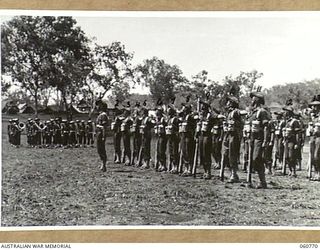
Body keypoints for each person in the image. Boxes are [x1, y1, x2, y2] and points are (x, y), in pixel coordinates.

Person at [247, 91, 270, 188]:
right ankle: (250, 181)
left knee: (256, 158)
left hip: (259, 138)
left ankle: (262, 181)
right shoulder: (252, 112)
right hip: (252, 138)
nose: (252, 100)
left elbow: (266, 127)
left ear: (257, 100)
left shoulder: (262, 112)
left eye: (253, 98)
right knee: (251, 159)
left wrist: (265, 140)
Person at [223, 96, 242, 183]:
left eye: (229, 102)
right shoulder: (228, 113)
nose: (227, 104)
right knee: (226, 154)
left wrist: (235, 123)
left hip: (234, 135)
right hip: (228, 135)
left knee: (232, 154)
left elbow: (242, 122)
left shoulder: (236, 112)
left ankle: (234, 174)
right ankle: (231, 173)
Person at [282, 106, 300, 177]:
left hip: (292, 141)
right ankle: (290, 169)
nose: (285, 113)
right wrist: (284, 140)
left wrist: (297, 143)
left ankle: (293, 170)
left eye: (286, 111)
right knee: (286, 157)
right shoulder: (286, 121)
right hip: (286, 141)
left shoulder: (294, 121)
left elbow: (297, 133)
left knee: (291, 156)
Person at [179, 104, 196, 177]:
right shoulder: (183, 117)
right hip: (183, 135)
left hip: (189, 136)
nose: (183, 109)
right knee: (184, 152)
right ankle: (186, 168)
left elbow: (194, 126)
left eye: (185, 108)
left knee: (189, 152)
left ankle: (190, 168)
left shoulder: (191, 117)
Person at [307, 95, 320, 180]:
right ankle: (315, 172)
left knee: (316, 155)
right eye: (313, 106)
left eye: (315, 106)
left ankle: (318, 173)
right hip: (312, 137)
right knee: (312, 156)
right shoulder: (312, 116)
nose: (313, 107)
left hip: (319, 137)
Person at [95, 99, 109, 172]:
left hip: (101, 134)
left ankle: (103, 164)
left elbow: (104, 127)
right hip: (98, 133)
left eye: (98, 105)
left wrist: (104, 136)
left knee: (101, 149)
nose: (96, 107)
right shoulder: (100, 115)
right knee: (99, 149)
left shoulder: (103, 115)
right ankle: (102, 163)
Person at [166, 106, 180, 173]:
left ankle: (176, 166)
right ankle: (172, 166)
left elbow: (178, 128)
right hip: (169, 137)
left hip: (174, 137)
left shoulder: (175, 119)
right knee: (171, 152)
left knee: (175, 152)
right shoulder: (169, 120)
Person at [154, 107, 167, 172]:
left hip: (163, 136)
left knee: (162, 151)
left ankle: (163, 165)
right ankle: (160, 164)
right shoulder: (157, 119)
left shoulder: (163, 119)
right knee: (158, 151)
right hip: (158, 137)